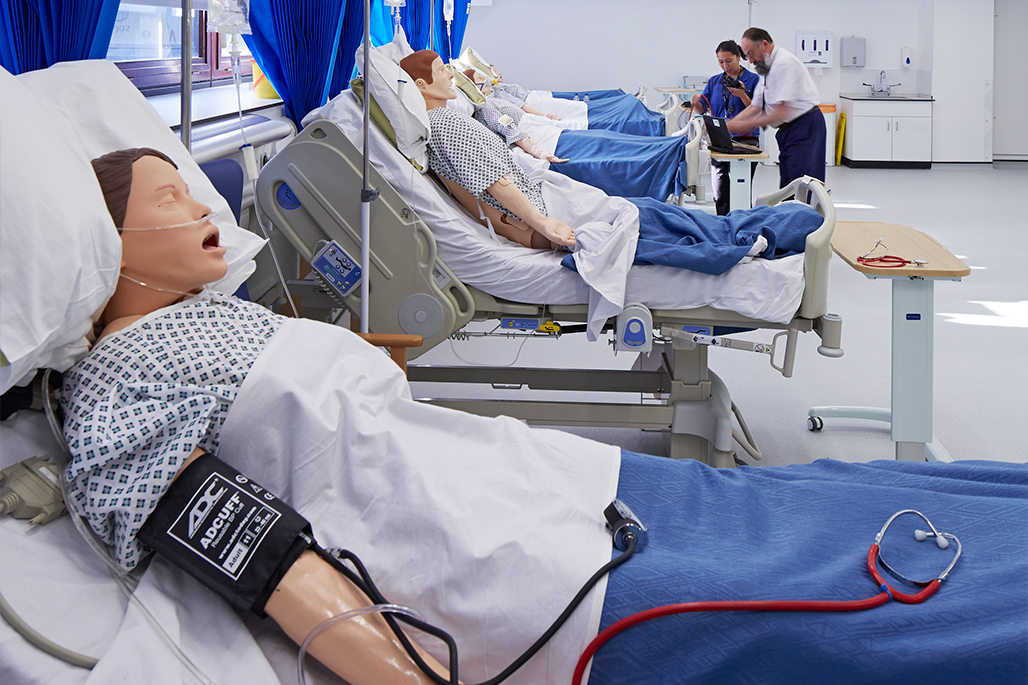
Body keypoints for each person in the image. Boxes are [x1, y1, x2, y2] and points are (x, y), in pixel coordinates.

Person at [53, 149, 1027, 685]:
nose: (199, 206)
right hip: (526, 568)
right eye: (169, 198)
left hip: (569, 486)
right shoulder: (113, 389)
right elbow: (258, 556)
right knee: (900, 605)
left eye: (191, 187)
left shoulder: (214, 314)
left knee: (854, 500)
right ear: (106, 248)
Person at [398, 50, 576, 249]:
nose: (450, 75)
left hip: (534, 206)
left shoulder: (444, 119)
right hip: (534, 219)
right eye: (441, 70)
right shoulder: (444, 123)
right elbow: (494, 181)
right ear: (421, 86)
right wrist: (542, 222)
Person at [727, 27, 827, 188]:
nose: (750, 61)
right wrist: (728, 126)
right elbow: (756, 107)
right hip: (789, 130)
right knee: (788, 184)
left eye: (751, 54)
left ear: (765, 45)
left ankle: (805, 213)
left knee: (802, 184)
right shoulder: (766, 68)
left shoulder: (784, 63)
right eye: (747, 57)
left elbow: (782, 110)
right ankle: (789, 211)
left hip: (805, 127)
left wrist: (742, 125)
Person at [690, 40, 761, 215]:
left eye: (729, 61)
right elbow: (702, 108)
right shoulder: (715, 81)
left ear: (739, 57)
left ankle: (742, 221)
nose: (725, 65)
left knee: (741, 189)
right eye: (721, 62)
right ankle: (722, 223)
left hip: (746, 140)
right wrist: (695, 102)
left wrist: (742, 95)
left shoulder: (753, 80)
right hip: (720, 140)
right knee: (720, 190)